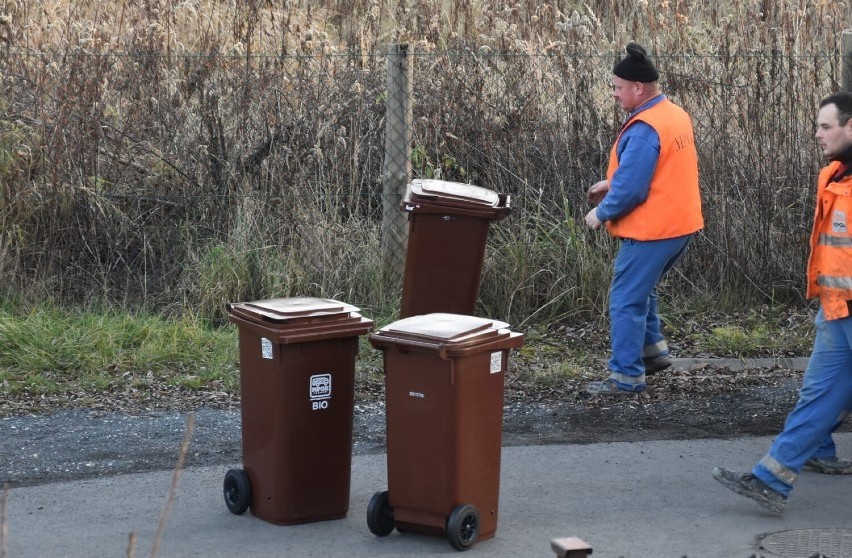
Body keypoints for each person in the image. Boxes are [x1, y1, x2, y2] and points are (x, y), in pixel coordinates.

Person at [713, 90, 852, 514]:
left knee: (822, 394)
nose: (817, 134)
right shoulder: (835, 175)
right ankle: (770, 480)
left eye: (826, 126)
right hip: (836, 307)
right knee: (819, 395)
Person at [583, 43, 704, 395]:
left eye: (618, 87)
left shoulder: (643, 127)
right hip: (681, 226)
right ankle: (653, 355)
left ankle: (625, 378)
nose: (614, 94)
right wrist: (612, 181)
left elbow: (633, 190)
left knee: (625, 300)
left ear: (638, 88)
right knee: (643, 291)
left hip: (652, 230)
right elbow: (660, 168)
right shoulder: (673, 114)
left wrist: (601, 212)